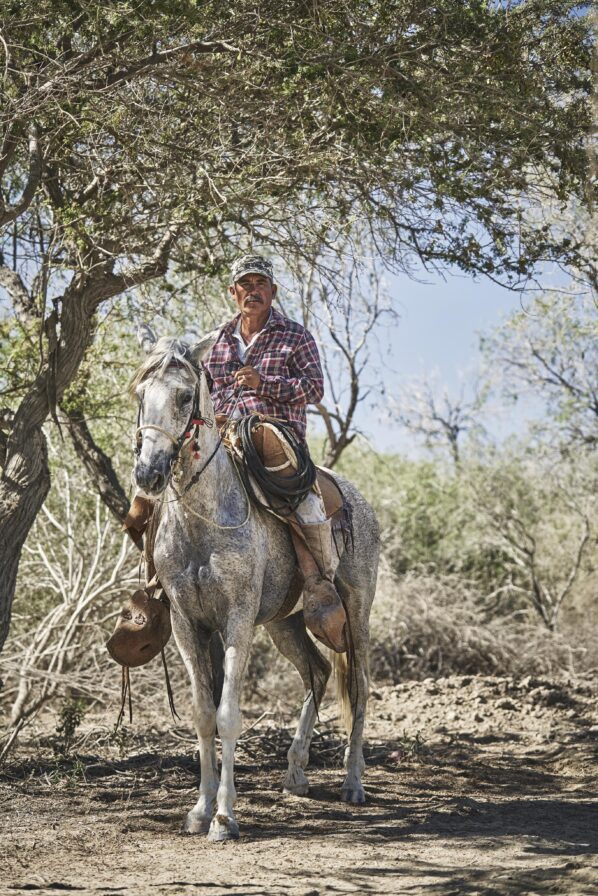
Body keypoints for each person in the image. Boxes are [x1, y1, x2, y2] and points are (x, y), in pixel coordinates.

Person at [204, 255, 347, 653]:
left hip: (275, 438)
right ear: (233, 293)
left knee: (304, 502)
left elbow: (314, 388)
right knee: (167, 487)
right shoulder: (215, 340)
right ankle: (158, 586)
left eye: (260, 283)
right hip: (222, 440)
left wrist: (265, 384)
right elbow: (202, 391)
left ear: (273, 291)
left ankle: (320, 582)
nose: (253, 290)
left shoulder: (294, 336)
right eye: (244, 284)